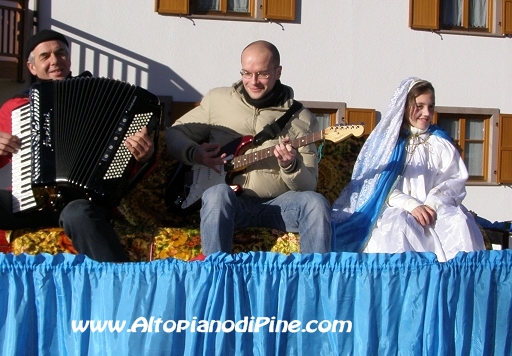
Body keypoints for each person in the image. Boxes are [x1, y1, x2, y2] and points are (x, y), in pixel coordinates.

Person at [0, 29, 156, 262]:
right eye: (45, 56)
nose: (55, 61)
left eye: (60, 53)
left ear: (69, 59)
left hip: (84, 201)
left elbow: (131, 165)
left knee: (78, 213)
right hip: (31, 202)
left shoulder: (105, 99)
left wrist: (145, 156)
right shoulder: (18, 107)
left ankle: (119, 281)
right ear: (32, 67)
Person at [165, 40, 331, 259]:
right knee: (216, 194)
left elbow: (310, 185)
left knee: (315, 203)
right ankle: (216, 274)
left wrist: (290, 166)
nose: (253, 82)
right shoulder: (217, 100)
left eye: (262, 74)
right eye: (246, 73)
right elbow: (175, 133)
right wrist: (194, 153)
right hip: (231, 204)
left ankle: (315, 280)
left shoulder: (303, 119)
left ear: (278, 71)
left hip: (278, 206)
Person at [331, 77, 485, 261]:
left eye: (431, 106)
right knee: (398, 227)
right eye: (419, 106)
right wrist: (411, 204)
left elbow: (453, 180)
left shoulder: (440, 143)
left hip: (435, 209)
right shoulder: (387, 143)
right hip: (394, 207)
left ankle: (454, 285)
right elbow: (376, 185)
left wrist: (432, 204)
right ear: (404, 107)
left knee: (459, 224)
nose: (426, 113)